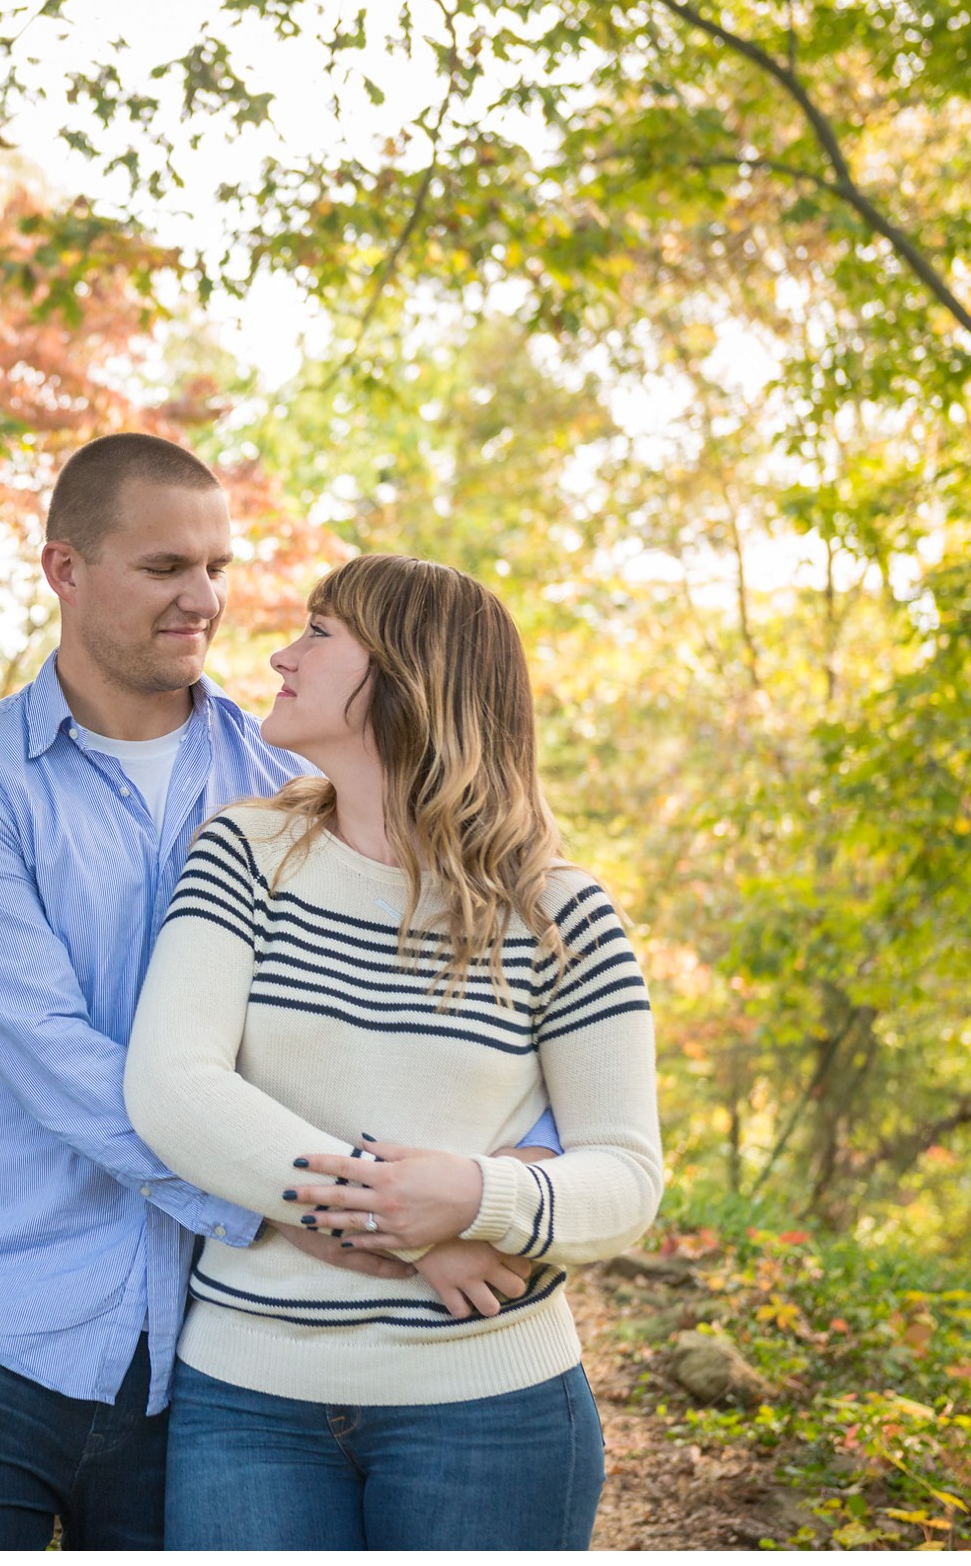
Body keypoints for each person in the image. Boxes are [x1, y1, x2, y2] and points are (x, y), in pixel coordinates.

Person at [0, 437, 557, 1549]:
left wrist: (510, 1173)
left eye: (220, 568)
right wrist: (325, 1209)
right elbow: (57, 1057)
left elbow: (430, 986)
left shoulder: (290, 781)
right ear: (64, 569)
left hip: (204, 1346)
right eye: (165, 568)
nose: (206, 600)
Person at [124, 552, 664, 1550]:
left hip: (493, 1414)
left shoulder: (563, 913)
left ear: (410, 675)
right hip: (247, 1405)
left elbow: (626, 1176)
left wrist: (474, 1196)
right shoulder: (244, 853)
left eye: (320, 633)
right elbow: (173, 1088)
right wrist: (414, 1224)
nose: (282, 654)